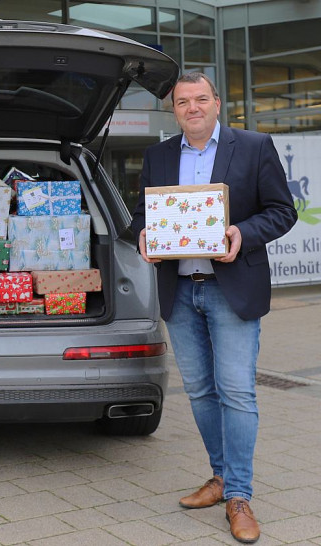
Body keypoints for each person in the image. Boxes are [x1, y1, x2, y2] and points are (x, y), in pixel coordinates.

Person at [131, 72, 297, 544]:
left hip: (232, 289)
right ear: (174, 109)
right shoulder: (157, 155)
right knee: (202, 393)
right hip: (180, 292)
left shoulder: (254, 146)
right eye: (183, 102)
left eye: (201, 99)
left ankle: (240, 496)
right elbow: (145, 215)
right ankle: (221, 477)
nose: (193, 108)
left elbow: (282, 211)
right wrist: (143, 234)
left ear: (217, 103)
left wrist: (243, 234)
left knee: (238, 393)